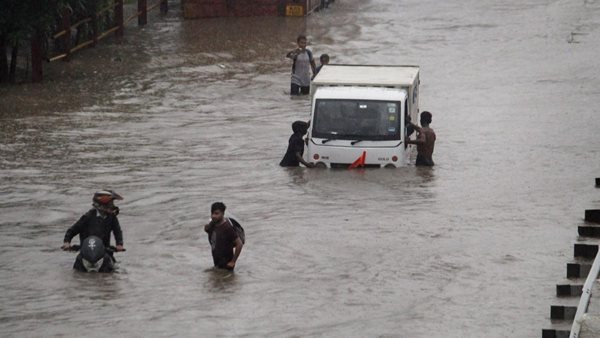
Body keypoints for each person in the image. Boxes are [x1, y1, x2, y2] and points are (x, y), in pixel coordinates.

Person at [204, 202, 244, 270]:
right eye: (212, 213)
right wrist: (207, 229)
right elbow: (215, 238)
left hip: (227, 265)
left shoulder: (227, 227)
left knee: (227, 279)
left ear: (223, 213)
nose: (213, 216)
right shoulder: (213, 224)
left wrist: (233, 262)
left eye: (216, 213)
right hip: (217, 262)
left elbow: (239, 244)